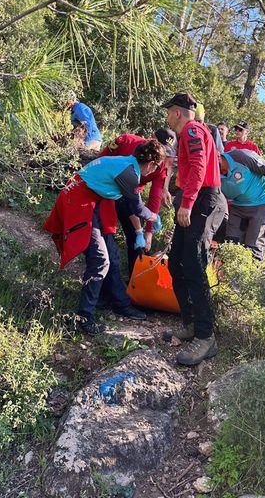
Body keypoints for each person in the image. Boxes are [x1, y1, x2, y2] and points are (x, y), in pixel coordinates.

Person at [44, 140, 163, 334]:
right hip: (79, 202)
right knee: (100, 260)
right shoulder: (129, 173)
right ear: (152, 164)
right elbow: (137, 207)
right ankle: (84, 317)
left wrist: (140, 231)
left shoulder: (126, 165)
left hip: (92, 203)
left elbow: (131, 203)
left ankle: (115, 302)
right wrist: (154, 217)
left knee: (112, 256)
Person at [162, 92, 228, 366]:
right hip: (193, 198)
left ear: (177, 113)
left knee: (193, 265)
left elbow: (201, 166)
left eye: (168, 112)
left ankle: (205, 336)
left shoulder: (191, 130)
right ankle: (189, 323)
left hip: (202, 200)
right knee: (175, 263)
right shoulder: (191, 132)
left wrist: (187, 203)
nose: (167, 118)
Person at [97, 127, 178, 277]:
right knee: (106, 234)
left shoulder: (160, 168)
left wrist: (148, 231)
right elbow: (100, 160)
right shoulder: (126, 141)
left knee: (137, 242)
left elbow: (154, 198)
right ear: (151, 139)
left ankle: (135, 282)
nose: (160, 159)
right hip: (105, 192)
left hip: (132, 198)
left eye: (166, 153)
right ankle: (108, 277)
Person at [219, 149, 265, 260]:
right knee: (231, 245)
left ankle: (252, 275)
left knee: (254, 247)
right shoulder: (212, 171)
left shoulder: (242, 157)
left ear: (218, 158)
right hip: (238, 206)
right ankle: (231, 276)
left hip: (261, 202)